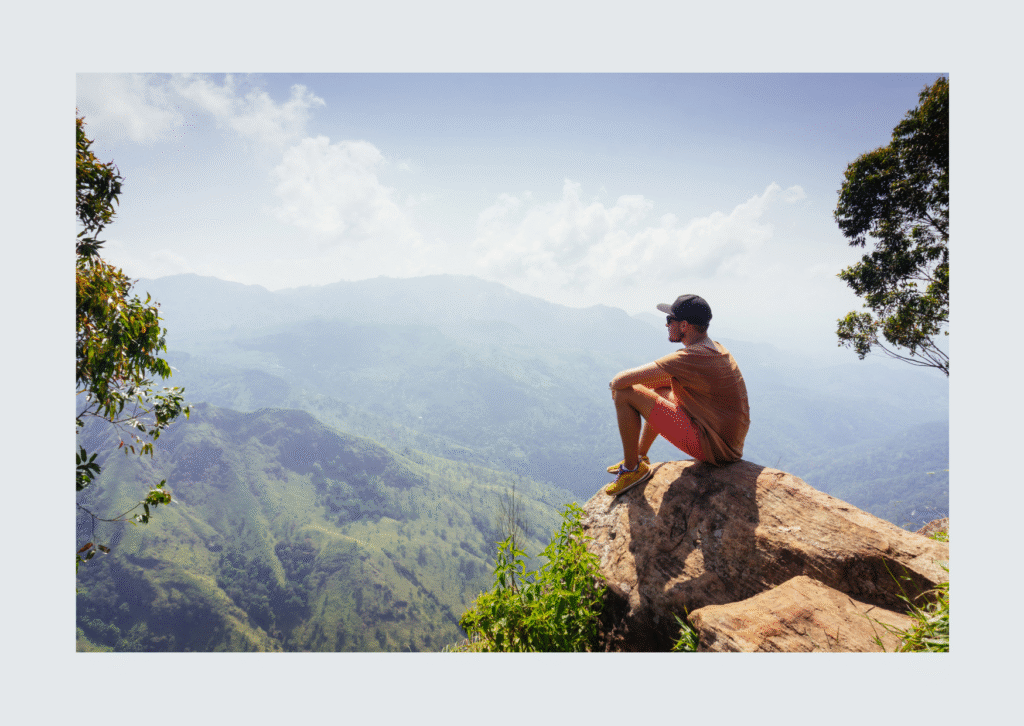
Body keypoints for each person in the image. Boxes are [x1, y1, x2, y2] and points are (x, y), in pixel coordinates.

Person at [605, 294, 750, 497]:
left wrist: (619, 389)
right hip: (725, 442)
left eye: (669, 320)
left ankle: (632, 469)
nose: (666, 326)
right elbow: (657, 382)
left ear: (683, 326)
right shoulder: (713, 349)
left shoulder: (690, 357)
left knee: (624, 394)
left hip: (714, 447)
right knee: (662, 390)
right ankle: (640, 456)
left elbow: (620, 381)